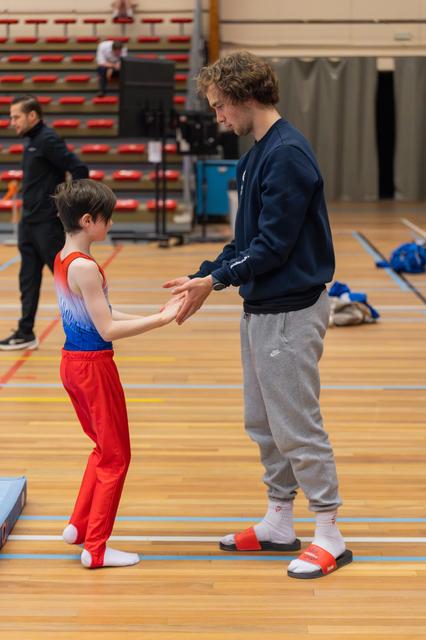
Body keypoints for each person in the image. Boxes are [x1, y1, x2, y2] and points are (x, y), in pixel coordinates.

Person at [163, 51, 352, 579]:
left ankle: (330, 533)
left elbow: (272, 247)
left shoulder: (287, 154)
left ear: (246, 98)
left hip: (291, 311)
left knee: (296, 424)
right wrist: (206, 272)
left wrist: (216, 280)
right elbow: (246, 241)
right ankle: (278, 521)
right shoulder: (255, 155)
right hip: (262, 309)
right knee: (263, 422)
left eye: (221, 107)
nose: (218, 117)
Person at [54, 179, 182, 569]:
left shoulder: (63, 258)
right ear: (89, 220)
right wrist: (161, 322)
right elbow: (107, 330)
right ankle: (95, 549)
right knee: (116, 456)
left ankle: (78, 526)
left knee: (102, 448)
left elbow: (100, 317)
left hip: (72, 364)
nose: (109, 226)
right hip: (93, 369)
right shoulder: (88, 268)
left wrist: (152, 314)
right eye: (106, 220)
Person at [0, 96, 89, 351]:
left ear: (32, 116)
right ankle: (25, 331)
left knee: (66, 278)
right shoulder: (31, 142)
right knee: (27, 278)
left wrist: (68, 208)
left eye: (16, 116)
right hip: (29, 223)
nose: (11, 122)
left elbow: (79, 168)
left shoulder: (47, 139)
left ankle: (94, 324)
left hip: (47, 225)